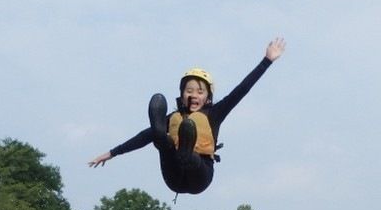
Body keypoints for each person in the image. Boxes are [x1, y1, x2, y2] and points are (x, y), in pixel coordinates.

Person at [88, 38, 286, 196]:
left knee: (189, 128)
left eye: (200, 92)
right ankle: (169, 139)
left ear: (208, 97)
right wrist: (113, 152)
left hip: (200, 175)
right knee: (162, 134)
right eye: (189, 91)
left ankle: (187, 150)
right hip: (173, 175)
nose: (194, 95)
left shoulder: (215, 113)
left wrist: (266, 61)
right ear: (182, 94)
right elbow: (143, 137)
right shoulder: (174, 117)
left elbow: (241, 90)